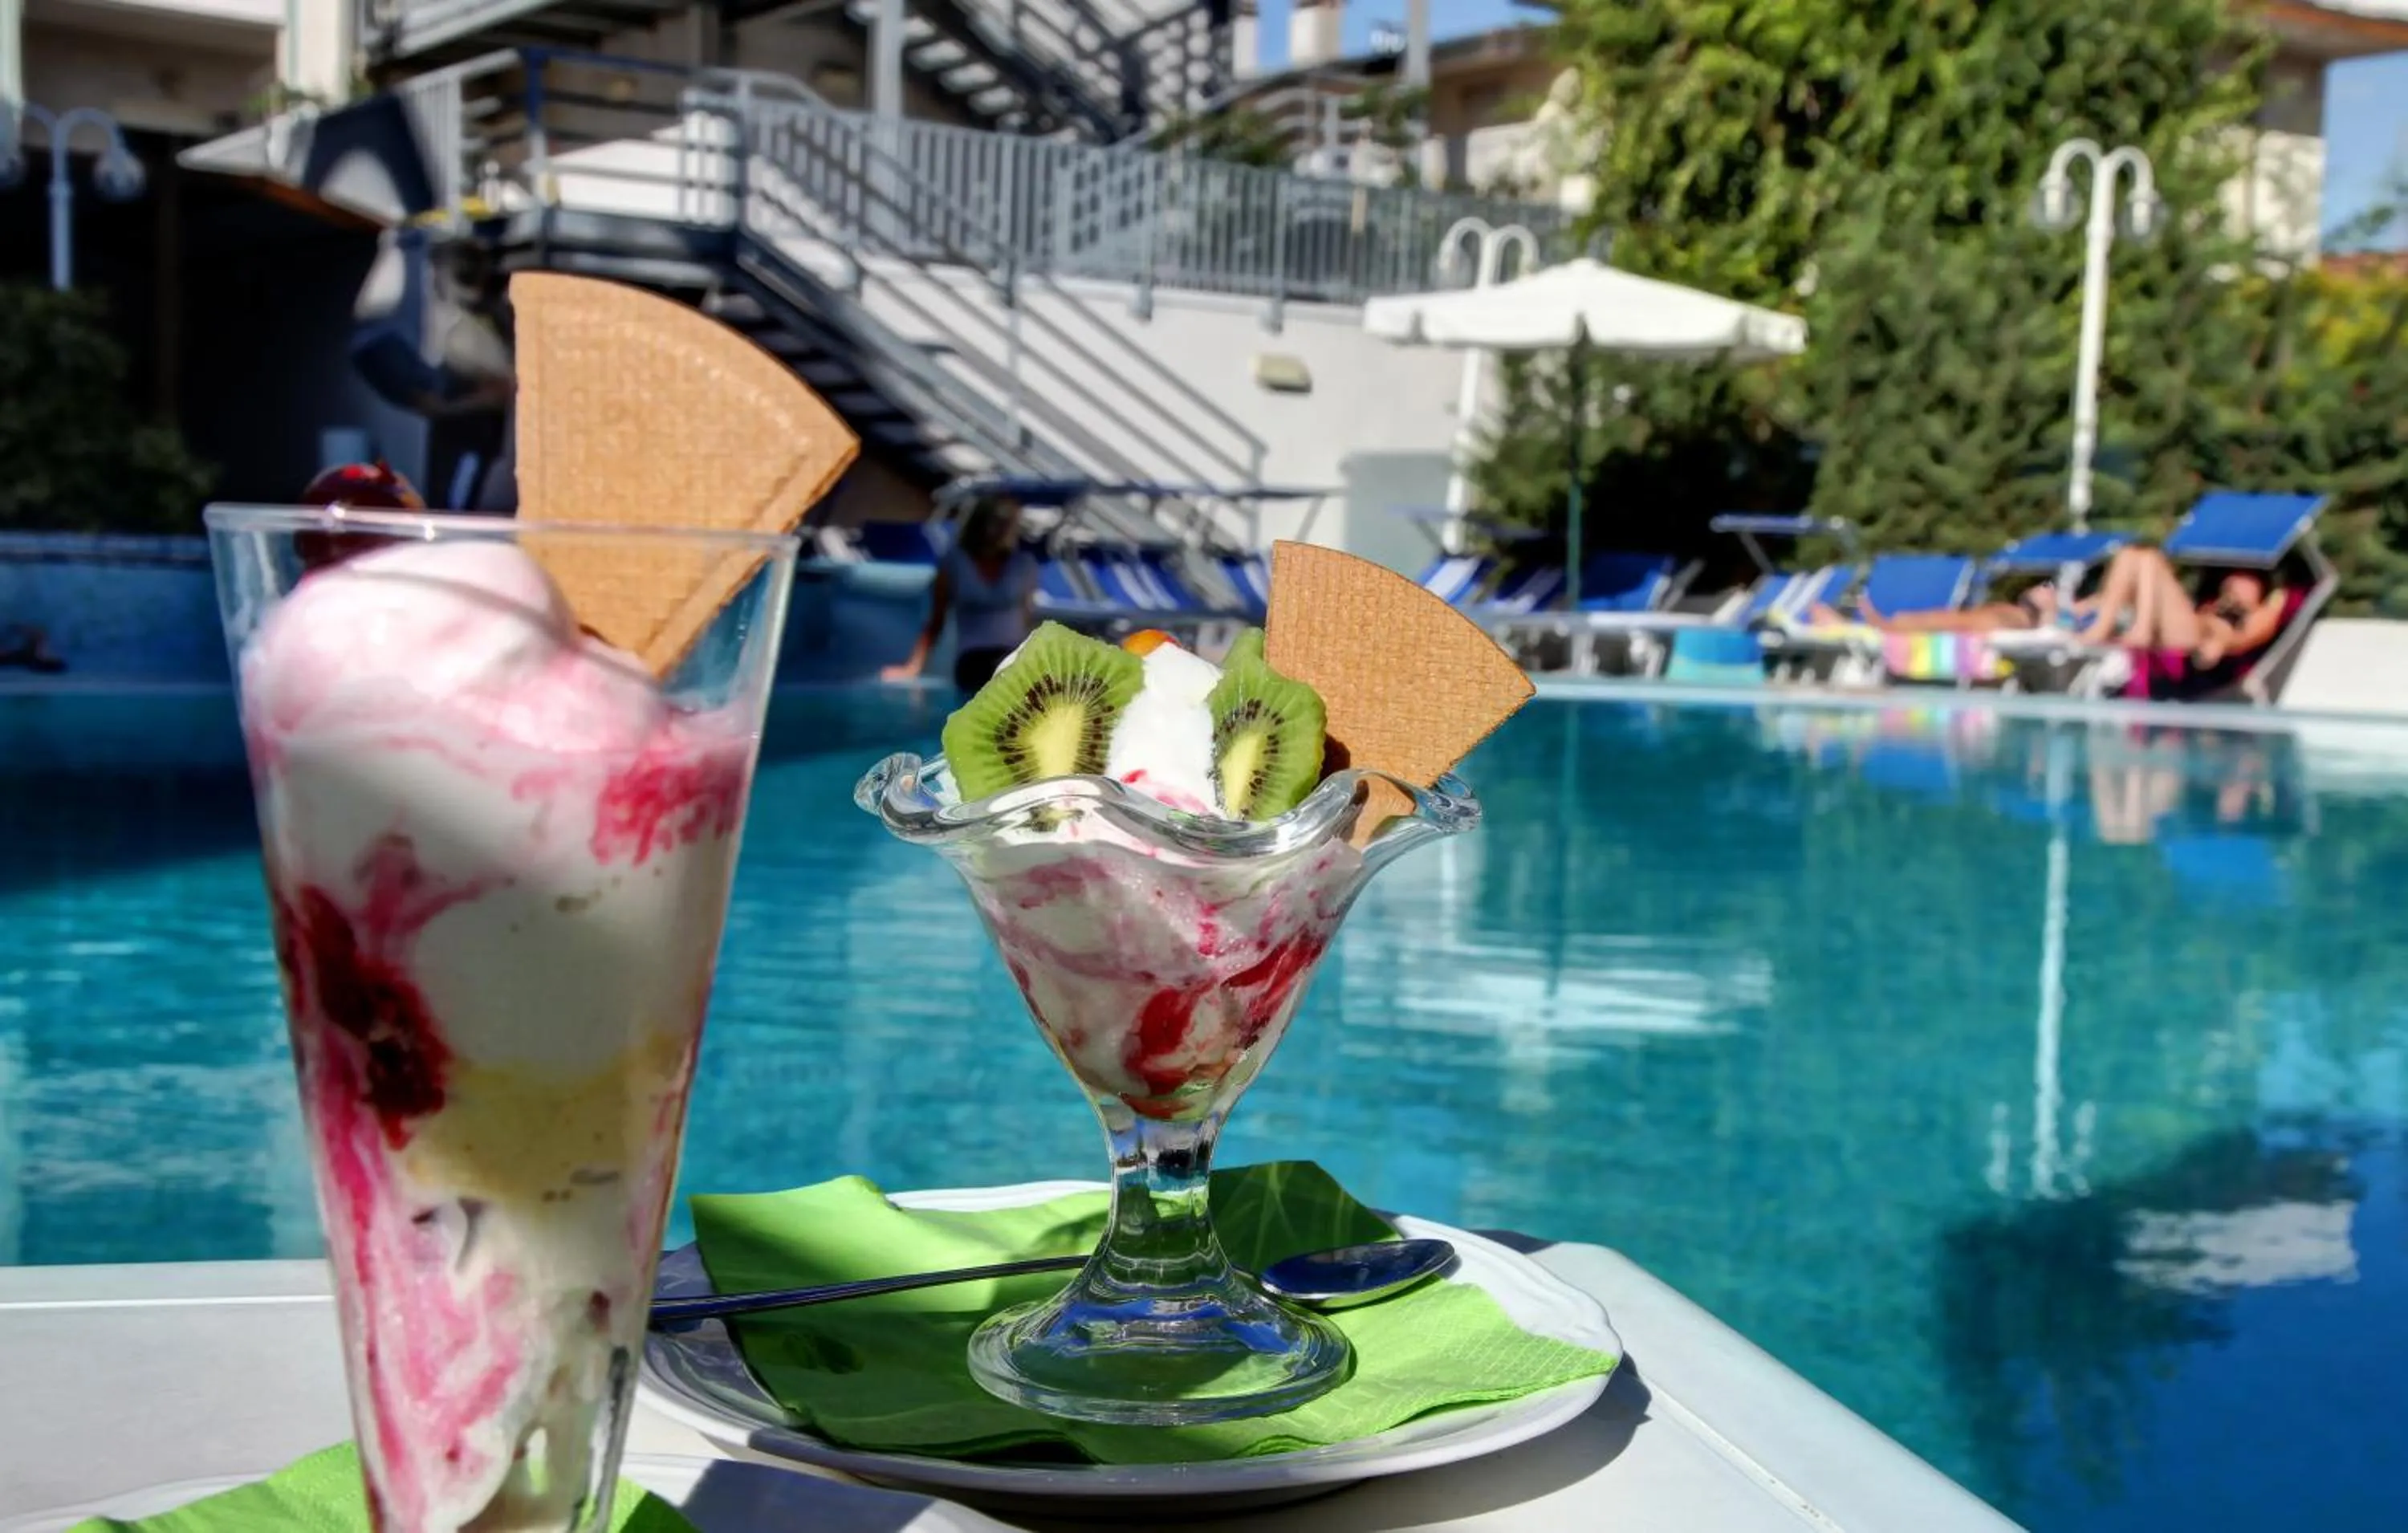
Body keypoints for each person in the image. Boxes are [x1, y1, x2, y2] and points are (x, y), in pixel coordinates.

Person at [881, 497, 1038, 692]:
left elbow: (1027, 618)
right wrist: (913, 666)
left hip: (1014, 656)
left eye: (1010, 522)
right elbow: (936, 620)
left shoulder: (1023, 564)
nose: (1004, 528)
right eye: (998, 520)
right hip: (975, 658)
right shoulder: (955, 562)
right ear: (981, 521)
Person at [2076, 544, 2287, 673]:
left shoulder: (2262, 612)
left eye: (2244, 577)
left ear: (2261, 585)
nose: (2232, 581)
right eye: (2231, 576)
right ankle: (2098, 629)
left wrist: (2221, 644)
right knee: (2128, 554)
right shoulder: (2215, 603)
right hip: (2177, 625)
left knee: (2150, 558)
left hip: (2193, 635)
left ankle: (2140, 631)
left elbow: (2244, 638)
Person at [1808, 584, 2088, 633]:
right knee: (1938, 619)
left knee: (1942, 621)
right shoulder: (2017, 609)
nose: (2044, 587)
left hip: (1991, 626)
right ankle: (1862, 626)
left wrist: (2053, 613)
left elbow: (2059, 630)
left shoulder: (2048, 620)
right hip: (1984, 621)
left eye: (2050, 587)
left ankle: (1867, 626)